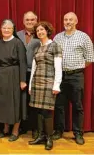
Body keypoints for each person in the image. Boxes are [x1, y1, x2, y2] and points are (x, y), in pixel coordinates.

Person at [53, 12, 94, 145]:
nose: (68, 22)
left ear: (76, 21)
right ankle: (59, 130)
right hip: (60, 76)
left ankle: (78, 133)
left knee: (77, 105)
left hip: (76, 76)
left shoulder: (83, 37)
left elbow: (89, 58)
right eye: (65, 19)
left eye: (71, 20)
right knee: (59, 105)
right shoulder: (57, 37)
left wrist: (76, 67)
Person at [28, 21, 62, 150]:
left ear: (47, 31)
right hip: (37, 82)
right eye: (38, 31)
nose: (40, 32)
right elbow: (34, 68)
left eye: (42, 30)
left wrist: (56, 85)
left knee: (47, 111)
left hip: (49, 83)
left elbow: (58, 67)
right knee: (38, 111)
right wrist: (31, 85)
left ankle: (49, 138)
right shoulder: (37, 48)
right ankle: (41, 136)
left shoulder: (55, 46)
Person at [0, 19, 27, 142]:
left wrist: (23, 80)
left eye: (9, 28)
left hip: (15, 74)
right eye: (4, 28)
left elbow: (23, 62)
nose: (6, 30)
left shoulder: (18, 43)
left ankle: (15, 130)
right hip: (2, 74)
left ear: (13, 30)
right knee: (3, 102)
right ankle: (5, 128)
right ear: (1, 29)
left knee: (15, 102)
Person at [17, 11, 40, 138]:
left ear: (36, 20)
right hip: (20, 73)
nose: (30, 22)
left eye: (32, 20)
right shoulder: (18, 34)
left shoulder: (41, 33)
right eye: (27, 20)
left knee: (34, 101)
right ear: (23, 21)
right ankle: (23, 127)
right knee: (21, 101)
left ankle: (35, 128)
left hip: (35, 73)